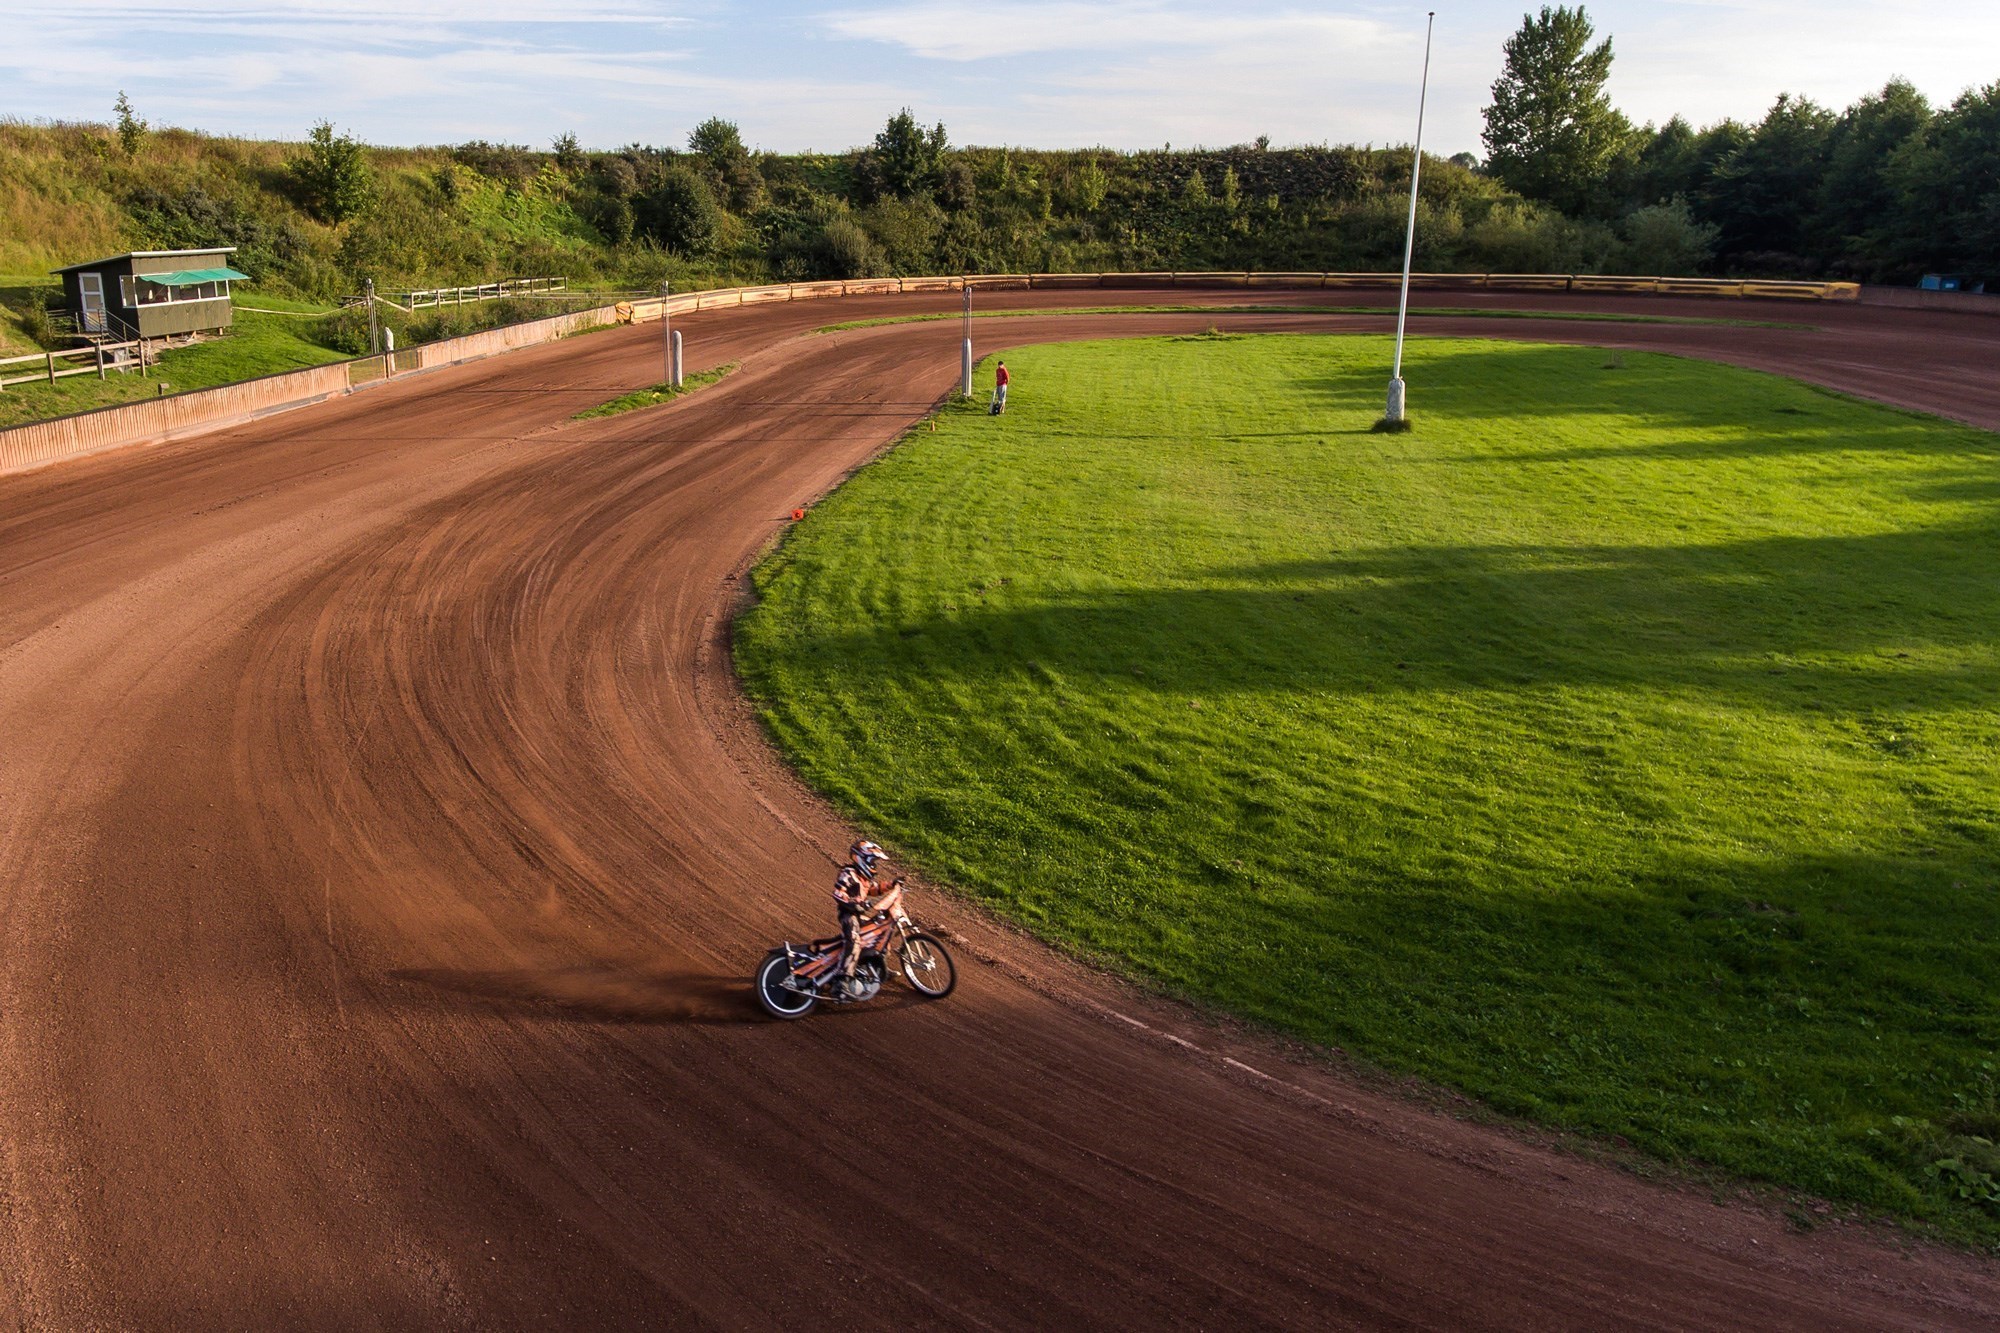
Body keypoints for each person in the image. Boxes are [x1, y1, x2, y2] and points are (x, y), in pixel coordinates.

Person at [831, 840, 903, 996]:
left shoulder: (863, 877)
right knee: (854, 940)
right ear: (861, 858)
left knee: (881, 932)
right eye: (872, 860)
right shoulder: (848, 873)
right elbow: (838, 893)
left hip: (859, 914)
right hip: (848, 914)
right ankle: (842, 979)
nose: (874, 864)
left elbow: (874, 890)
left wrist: (891, 884)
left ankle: (878, 968)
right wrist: (853, 902)